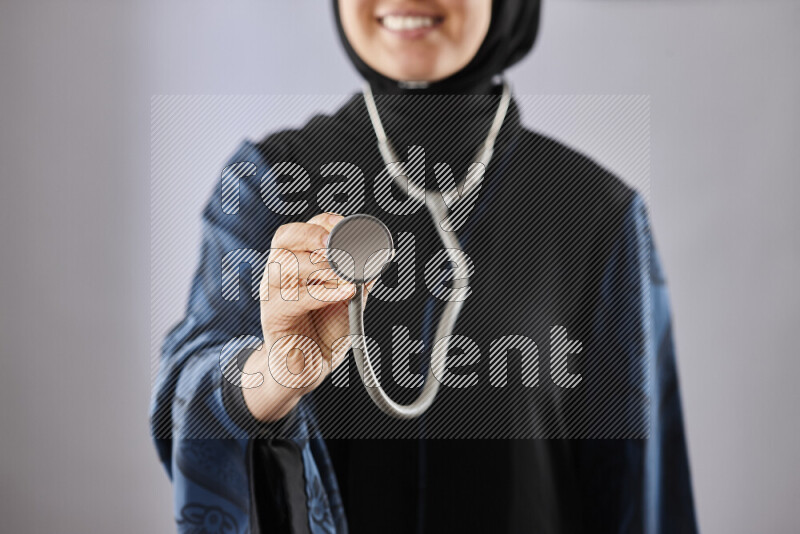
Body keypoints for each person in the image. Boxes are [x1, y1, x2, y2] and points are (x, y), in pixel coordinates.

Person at [151, 1, 698, 532]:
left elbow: (639, 489)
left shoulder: (594, 211)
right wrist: (276, 372)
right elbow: (188, 391)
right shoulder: (268, 183)